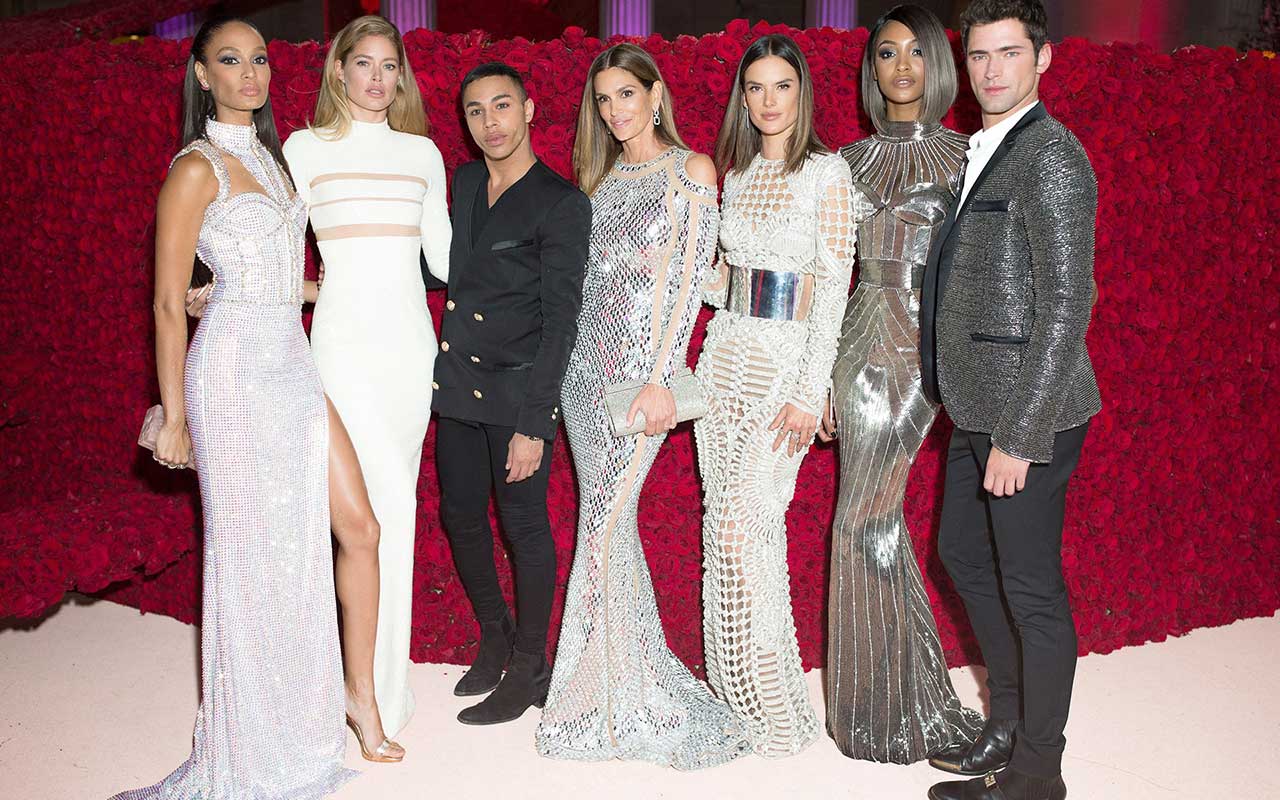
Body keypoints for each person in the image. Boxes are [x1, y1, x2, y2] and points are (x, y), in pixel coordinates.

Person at [112, 18, 357, 798]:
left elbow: (276, 279)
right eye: (230, 60)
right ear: (201, 75)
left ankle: (299, 735)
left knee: (296, 552)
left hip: (291, 366)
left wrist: (346, 288)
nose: (250, 73)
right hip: (230, 378)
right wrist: (174, 415)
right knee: (247, 560)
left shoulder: (274, 163)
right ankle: (248, 754)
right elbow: (165, 303)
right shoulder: (195, 168)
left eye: (259, 59)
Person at [534, 43, 750, 770]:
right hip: (583, 372)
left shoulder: (692, 172)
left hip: (639, 374)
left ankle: (599, 690)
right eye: (603, 99)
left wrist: (662, 377)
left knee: (603, 524)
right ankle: (615, 680)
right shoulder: (598, 181)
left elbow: (687, 284)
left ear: (655, 95)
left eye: (626, 94)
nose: (614, 110)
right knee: (608, 524)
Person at [921, 2, 1100, 799]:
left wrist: (1022, 436)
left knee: (1031, 591)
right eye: (979, 55)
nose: (992, 70)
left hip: (1031, 411)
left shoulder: (1052, 156)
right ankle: (1008, 723)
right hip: (977, 405)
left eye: (1010, 53)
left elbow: (1067, 302)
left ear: (1043, 58)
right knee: (961, 553)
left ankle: (1036, 773)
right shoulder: (984, 146)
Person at [818, 4, 984, 764]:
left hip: (923, 345)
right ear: (872, 69)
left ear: (938, 65)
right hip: (857, 335)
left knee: (867, 517)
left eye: (917, 52)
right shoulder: (844, 162)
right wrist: (817, 376)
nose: (903, 66)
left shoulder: (966, 157)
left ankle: (900, 703)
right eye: (887, 53)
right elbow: (826, 275)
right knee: (864, 519)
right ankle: (884, 706)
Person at [282, 13, 450, 741]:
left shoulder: (422, 154)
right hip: (340, 352)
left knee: (396, 514)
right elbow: (278, 256)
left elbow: (447, 261)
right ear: (339, 70)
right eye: (364, 64)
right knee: (344, 522)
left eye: (390, 66)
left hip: (410, 352)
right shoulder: (302, 149)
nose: (378, 78)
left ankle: (383, 690)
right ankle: (334, 687)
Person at [695, 33, 856, 758]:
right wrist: (675, 264)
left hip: (782, 369)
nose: (768, 101)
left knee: (744, 527)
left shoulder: (827, 174)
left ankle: (774, 708)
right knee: (728, 533)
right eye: (755, 87)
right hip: (723, 360)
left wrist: (810, 389)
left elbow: (834, 289)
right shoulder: (734, 178)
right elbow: (726, 281)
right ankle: (747, 702)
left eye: (781, 86)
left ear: (802, 93)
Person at [433, 62, 591, 725]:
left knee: (524, 527)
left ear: (528, 110)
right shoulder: (466, 182)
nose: (490, 122)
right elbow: (446, 269)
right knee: (460, 515)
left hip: (516, 393)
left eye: (502, 106)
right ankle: (495, 635)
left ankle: (531, 665)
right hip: (457, 384)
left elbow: (562, 323)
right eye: (476, 111)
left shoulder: (560, 202)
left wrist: (535, 422)